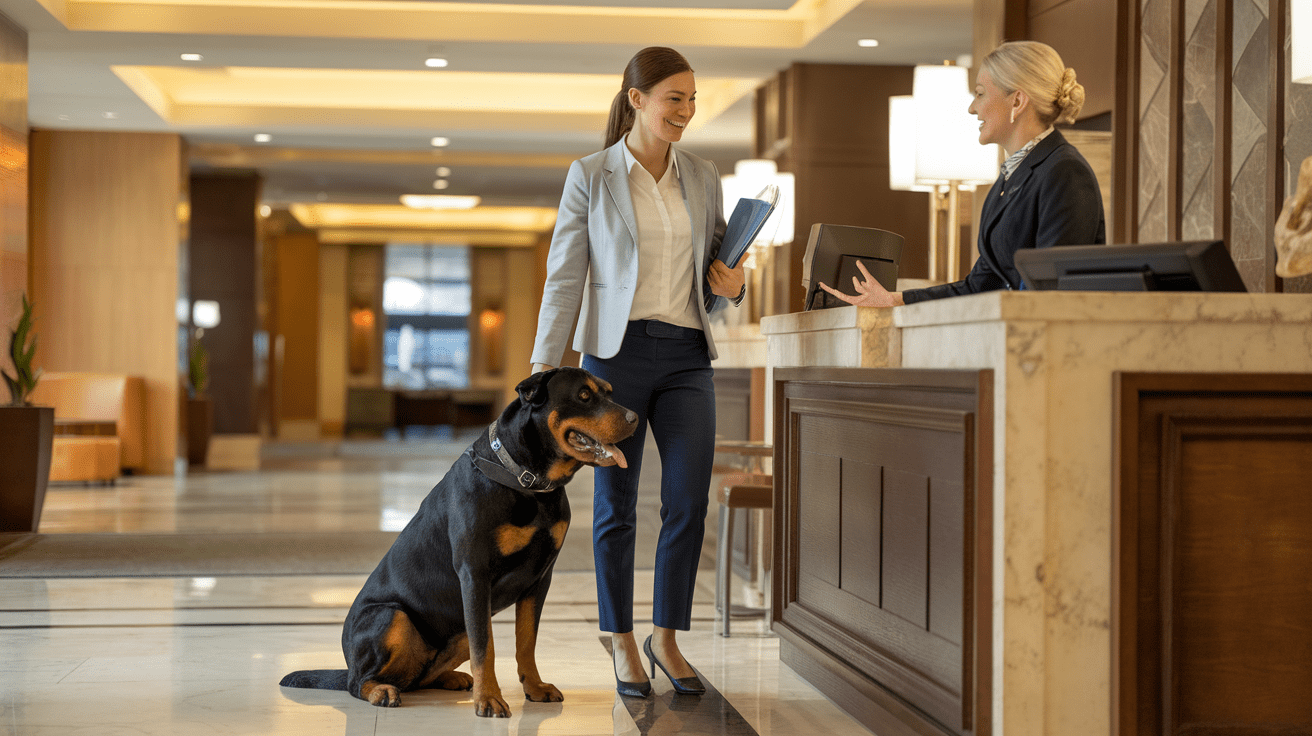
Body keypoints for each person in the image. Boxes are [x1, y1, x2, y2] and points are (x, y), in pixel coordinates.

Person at [528, 46, 747, 698]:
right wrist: (545, 368)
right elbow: (565, 274)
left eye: (692, 99)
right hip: (612, 360)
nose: (686, 110)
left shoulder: (704, 176)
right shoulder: (592, 175)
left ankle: (666, 638)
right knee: (616, 510)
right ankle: (620, 637)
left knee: (686, 502)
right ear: (637, 100)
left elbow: (721, 276)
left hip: (686, 357)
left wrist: (734, 284)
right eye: (674, 98)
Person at [820, 40, 1105, 306]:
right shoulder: (1007, 179)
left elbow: (1054, 291)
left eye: (980, 94)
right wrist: (896, 300)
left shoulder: (1065, 172)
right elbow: (982, 283)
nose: (972, 108)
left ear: (1017, 102)